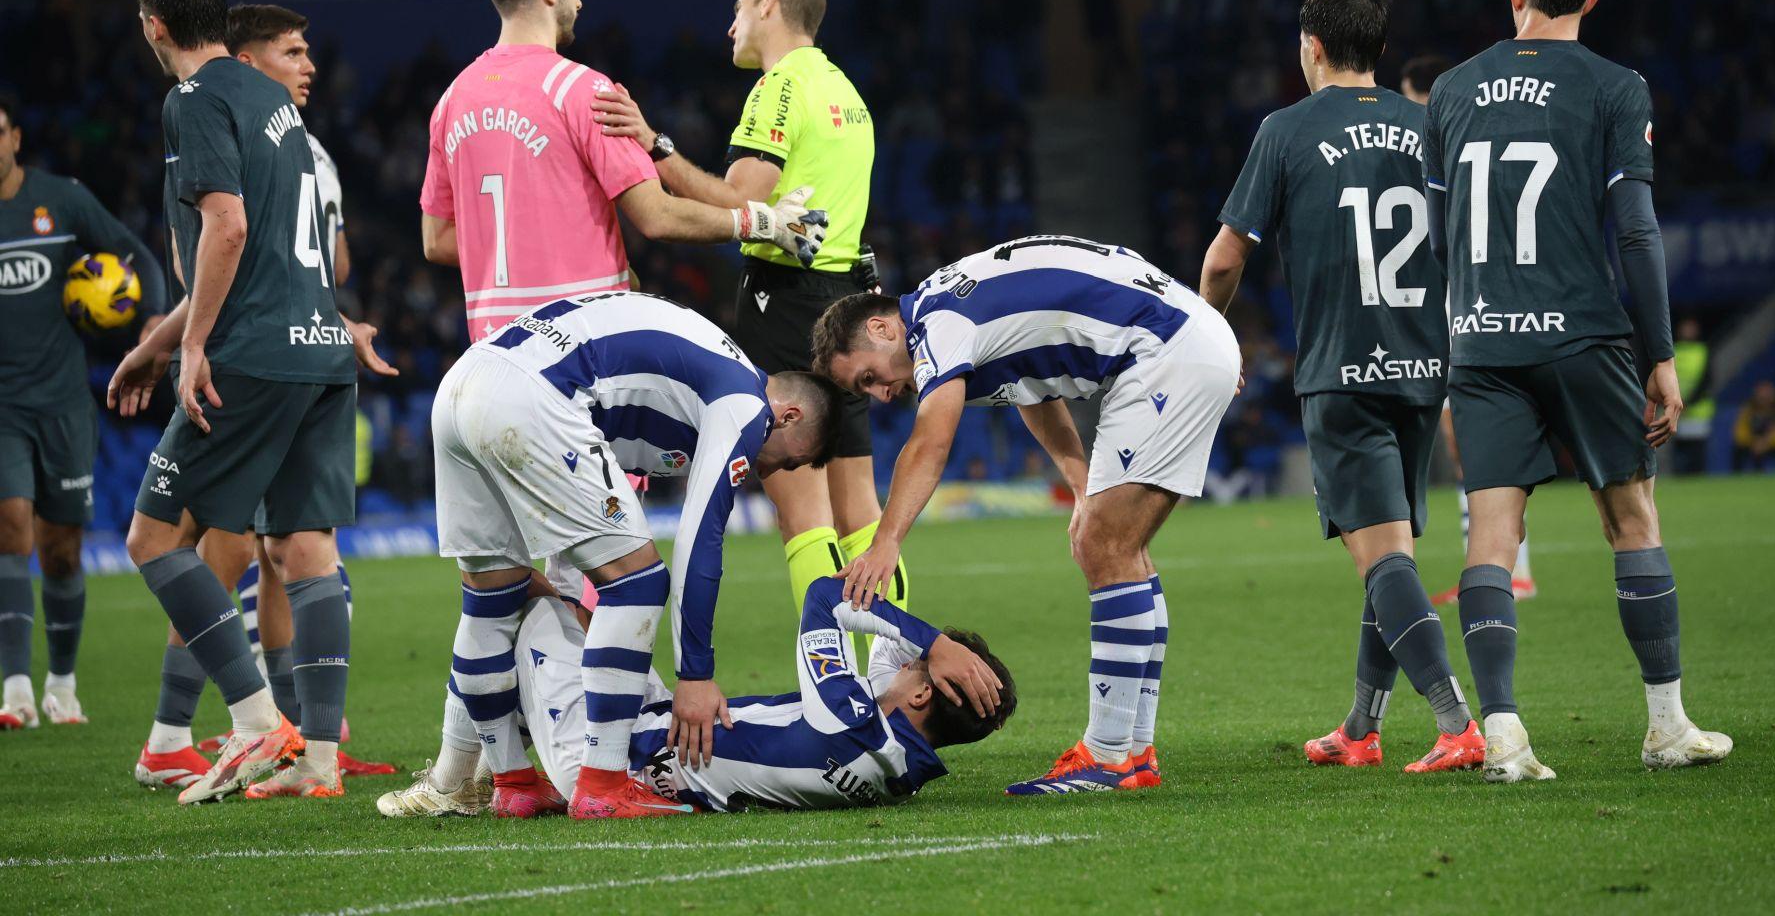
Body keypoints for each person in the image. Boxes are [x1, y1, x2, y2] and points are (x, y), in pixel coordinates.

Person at [1423, 0, 1730, 780]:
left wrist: (1471, 315)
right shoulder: (1615, 87)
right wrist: (1660, 354)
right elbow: (1635, 228)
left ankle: (1507, 734)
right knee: (1631, 518)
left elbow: (1441, 237)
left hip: (1481, 340)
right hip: (1583, 333)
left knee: (1491, 534)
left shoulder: (1451, 89)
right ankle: (1666, 726)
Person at [108, 0, 394, 804]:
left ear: (154, 25)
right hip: (319, 351)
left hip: (255, 355)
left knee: (155, 541)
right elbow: (284, 246)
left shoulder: (194, 100)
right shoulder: (279, 108)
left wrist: (188, 347)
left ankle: (253, 719)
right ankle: (318, 759)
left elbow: (226, 230)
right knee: (305, 548)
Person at [389, 291, 845, 820]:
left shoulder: (701, 377)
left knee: (493, 596)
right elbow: (701, 539)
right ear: (787, 417)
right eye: (791, 461)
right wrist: (695, 674)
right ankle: (603, 784)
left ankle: (512, 783)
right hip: (533, 396)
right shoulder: (745, 405)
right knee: (639, 583)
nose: (772, 473)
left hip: (465, 383)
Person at [812, 236, 1241, 794]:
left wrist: (886, 539)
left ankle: (1107, 756)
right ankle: (1133, 754)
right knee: (1114, 547)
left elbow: (930, 440)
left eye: (868, 377)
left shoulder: (936, 324)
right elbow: (1034, 392)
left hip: (1166, 349)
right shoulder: (962, 307)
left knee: (1105, 549)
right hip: (1183, 337)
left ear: (882, 329)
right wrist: (1081, 485)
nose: (881, 394)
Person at [1200, 0, 1482, 775]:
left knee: (1381, 558)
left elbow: (1226, 258)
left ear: (1312, 48)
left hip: (1343, 370)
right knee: (1387, 548)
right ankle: (1360, 727)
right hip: (1424, 368)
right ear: (1379, 50)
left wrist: (1207, 332)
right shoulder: (1428, 127)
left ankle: (1457, 723)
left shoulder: (1286, 131)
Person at [589, 0, 906, 633]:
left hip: (788, 301)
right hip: (849, 298)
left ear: (767, 3)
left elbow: (740, 203)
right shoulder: (844, 90)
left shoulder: (780, 86)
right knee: (859, 510)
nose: (729, 25)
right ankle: (893, 673)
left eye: (737, 7)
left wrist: (654, 144)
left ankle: (832, 680)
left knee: (801, 508)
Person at [419, 0, 828, 342]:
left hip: (490, 350)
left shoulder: (452, 100)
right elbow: (657, 216)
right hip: (577, 346)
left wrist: (529, 248)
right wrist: (765, 222)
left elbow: (435, 241)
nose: (578, 1)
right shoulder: (582, 90)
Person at [511, 576, 1011, 813]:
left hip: (608, 763)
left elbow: (824, 596)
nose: (902, 662)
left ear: (922, 695)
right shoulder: (902, 764)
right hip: (653, 730)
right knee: (594, 626)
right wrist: (937, 661)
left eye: (915, 667)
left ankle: (488, 776)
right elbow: (886, 647)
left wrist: (937, 645)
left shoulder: (849, 721)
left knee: (530, 595)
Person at [0, 93, 165, 731]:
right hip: (5, 409)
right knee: (10, 526)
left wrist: (152, 317)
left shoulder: (61, 201)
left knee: (61, 550)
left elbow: (136, 255)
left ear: (15, 137)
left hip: (64, 405)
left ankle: (61, 686)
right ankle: (14, 688)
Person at [1401, 55, 1538, 605]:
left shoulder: (1443, 147)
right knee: (1473, 443)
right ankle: (1499, 567)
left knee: (1473, 442)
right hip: (1471, 302)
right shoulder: (1471, 138)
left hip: (1468, 308)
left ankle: (1505, 569)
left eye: (1410, 100)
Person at [1670, 317, 1714, 476]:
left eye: (1691, 327)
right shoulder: (1672, 349)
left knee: (1696, 453)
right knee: (1678, 453)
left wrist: (1689, 402)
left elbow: (1706, 381)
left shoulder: (1703, 350)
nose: (1688, 331)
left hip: (1697, 411)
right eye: (1685, 327)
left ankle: (1698, 479)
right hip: (1677, 410)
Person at [1732, 381, 1775, 471]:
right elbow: (1740, 430)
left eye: (1768, 393)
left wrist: (1767, 442)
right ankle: (1738, 478)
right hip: (1754, 442)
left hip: (1774, 443)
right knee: (1738, 449)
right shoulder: (1749, 408)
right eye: (1762, 393)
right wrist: (1752, 442)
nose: (1765, 397)